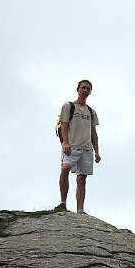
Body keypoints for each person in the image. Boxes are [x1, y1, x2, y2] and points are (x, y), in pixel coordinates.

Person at [55, 79, 100, 214]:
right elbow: (64, 124)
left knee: (82, 179)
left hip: (87, 148)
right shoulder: (68, 106)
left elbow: (94, 133)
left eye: (88, 89)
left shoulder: (91, 111)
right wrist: (66, 142)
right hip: (72, 145)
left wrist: (97, 151)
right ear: (78, 89)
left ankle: (80, 210)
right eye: (83, 88)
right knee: (65, 168)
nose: (85, 90)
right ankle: (63, 203)